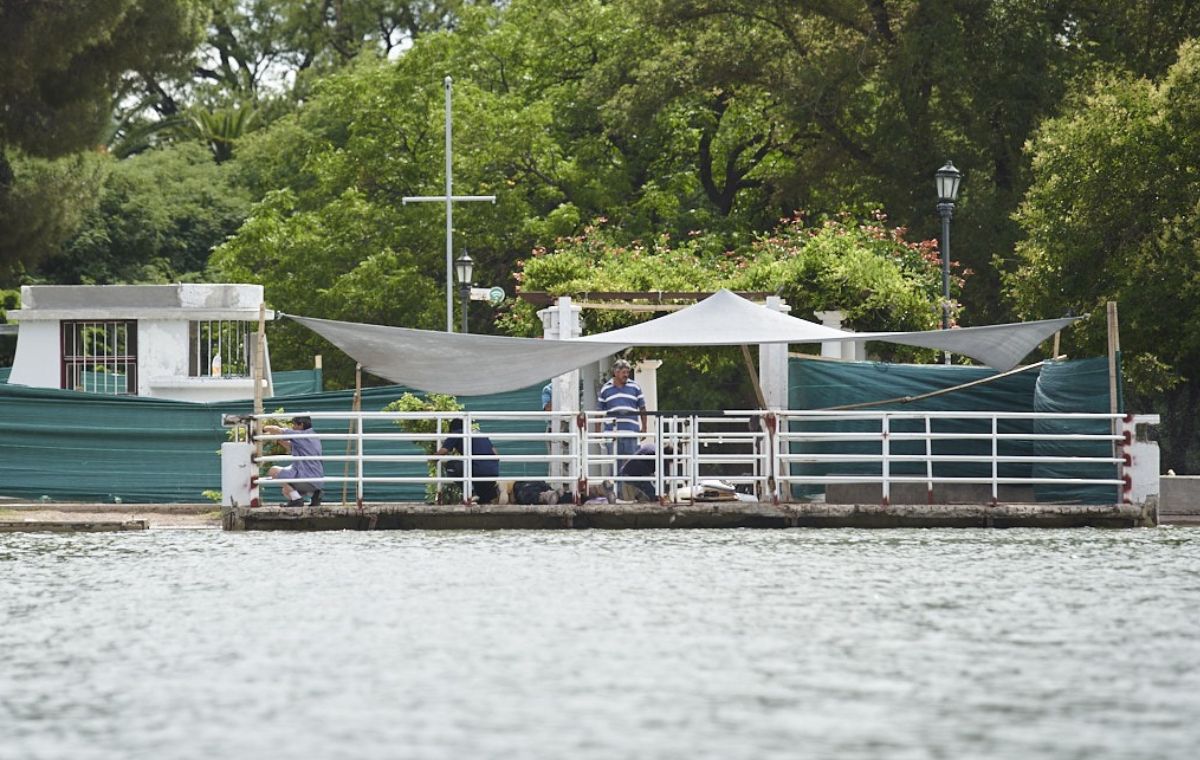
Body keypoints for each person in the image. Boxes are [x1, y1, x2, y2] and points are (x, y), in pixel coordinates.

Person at [597, 359, 647, 478]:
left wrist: (644, 427)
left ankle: (635, 494)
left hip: (631, 433)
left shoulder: (635, 387)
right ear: (615, 372)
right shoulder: (605, 389)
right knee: (615, 467)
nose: (626, 375)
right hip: (612, 434)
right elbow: (599, 412)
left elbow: (643, 408)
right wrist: (597, 432)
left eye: (627, 372)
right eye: (624, 372)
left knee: (634, 466)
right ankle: (617, 494)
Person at [263, 416, 324, 507]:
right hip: (317, 479)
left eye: (294, 425)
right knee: (286, 491)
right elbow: (291, 447)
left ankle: (297, 500)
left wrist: (262, 428)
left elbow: (277, 429)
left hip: (306, 477)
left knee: (273, 471)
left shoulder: (299, 435)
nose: (293, 427)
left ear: (301, 425)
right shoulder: (313, 437)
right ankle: (314, 494)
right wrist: (278, 440)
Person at [436, 419, 500, 504]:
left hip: (477, 472)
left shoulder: (457, 433)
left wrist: (431, 458)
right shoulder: (480, 435)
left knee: (451, 465)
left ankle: (471, 492)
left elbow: (443, 452)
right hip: (492, 472)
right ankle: (483, 496)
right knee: (483, 500)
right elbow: (496, 454)